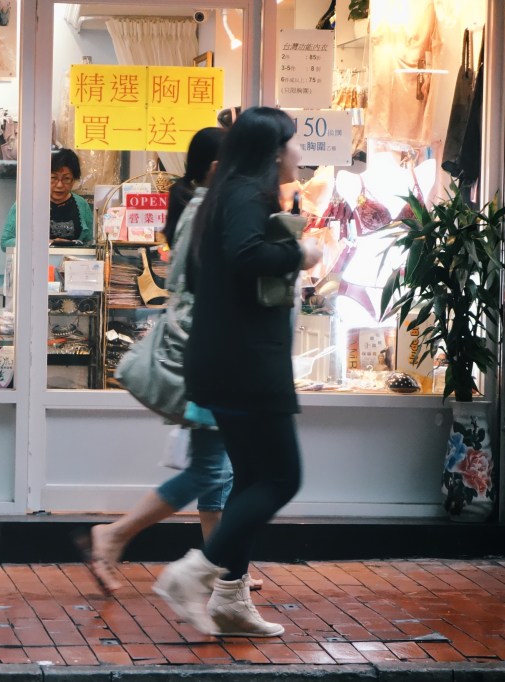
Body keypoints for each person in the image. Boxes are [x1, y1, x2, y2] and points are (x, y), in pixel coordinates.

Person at [153, 107, 322, 638]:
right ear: (273, 150)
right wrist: (301, 251)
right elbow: (249, 254)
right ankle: (195, 573)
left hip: (226, 358)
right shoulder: (247, 195)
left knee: (251, 478)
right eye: (293, 143)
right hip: (246, 363)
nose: (299, 153)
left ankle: (230, 598)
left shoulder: (224, 195)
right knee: (281, 478)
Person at [75, 128, 261, 595]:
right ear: (219, 171)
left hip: (206, 354)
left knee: (215, 470)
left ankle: (221, 568)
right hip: (208, 357)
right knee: (210, 471)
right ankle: (117, 536)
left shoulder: (199, 208)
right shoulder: (209, 212)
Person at [1, 147, 94, 251]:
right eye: (53, 178)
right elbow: (6, 242)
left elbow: (90, 243)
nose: (59, 185)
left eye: (66, 179)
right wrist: (48, 243)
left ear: (73, 180)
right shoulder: (26, 203)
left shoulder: (82, 205)